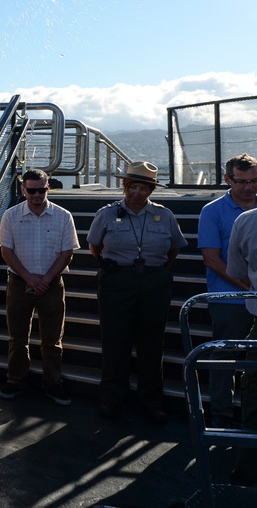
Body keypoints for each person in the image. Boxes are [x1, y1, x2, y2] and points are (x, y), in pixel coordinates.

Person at [87, 161, 187, 424]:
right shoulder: (107, 214)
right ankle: (111, 398)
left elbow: (174, 250)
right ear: (125, 186)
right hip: (117, 282)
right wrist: (115, 267)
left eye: (144, 188)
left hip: (154, 283)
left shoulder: (165, 216)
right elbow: (94, 245)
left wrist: (156, 271)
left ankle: (151, 401)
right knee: (114, 342)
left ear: (151, 189)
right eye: (133, 187)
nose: (137, 193)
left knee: (152, 344)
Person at [0, 169, 80, 406]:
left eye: (41, 190)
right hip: (19, 283)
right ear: (23, 190)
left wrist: (45, 279)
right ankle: (15, 380)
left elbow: (67, 253)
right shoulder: (11, 215)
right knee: (17, 337)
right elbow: (6, 251)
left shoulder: (63, 216)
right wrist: (30, 278)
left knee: (52, 339)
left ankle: (53, 383)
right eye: (31, 190)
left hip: (52, 285)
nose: (36, 195)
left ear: (48, 189)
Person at [197, 154, 257, 427]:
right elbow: (212, 260)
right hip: (230, 300)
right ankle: (221, 416)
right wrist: (250, 288)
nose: (248, 187)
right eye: (241, 181)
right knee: (224, 360)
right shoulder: (213, 211)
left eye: (254, 181)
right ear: (227, 179)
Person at [225, 207, 257, 485]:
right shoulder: (246, 221)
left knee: (254, 406)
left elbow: (239, 272)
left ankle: (246, 477)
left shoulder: (246, 221)